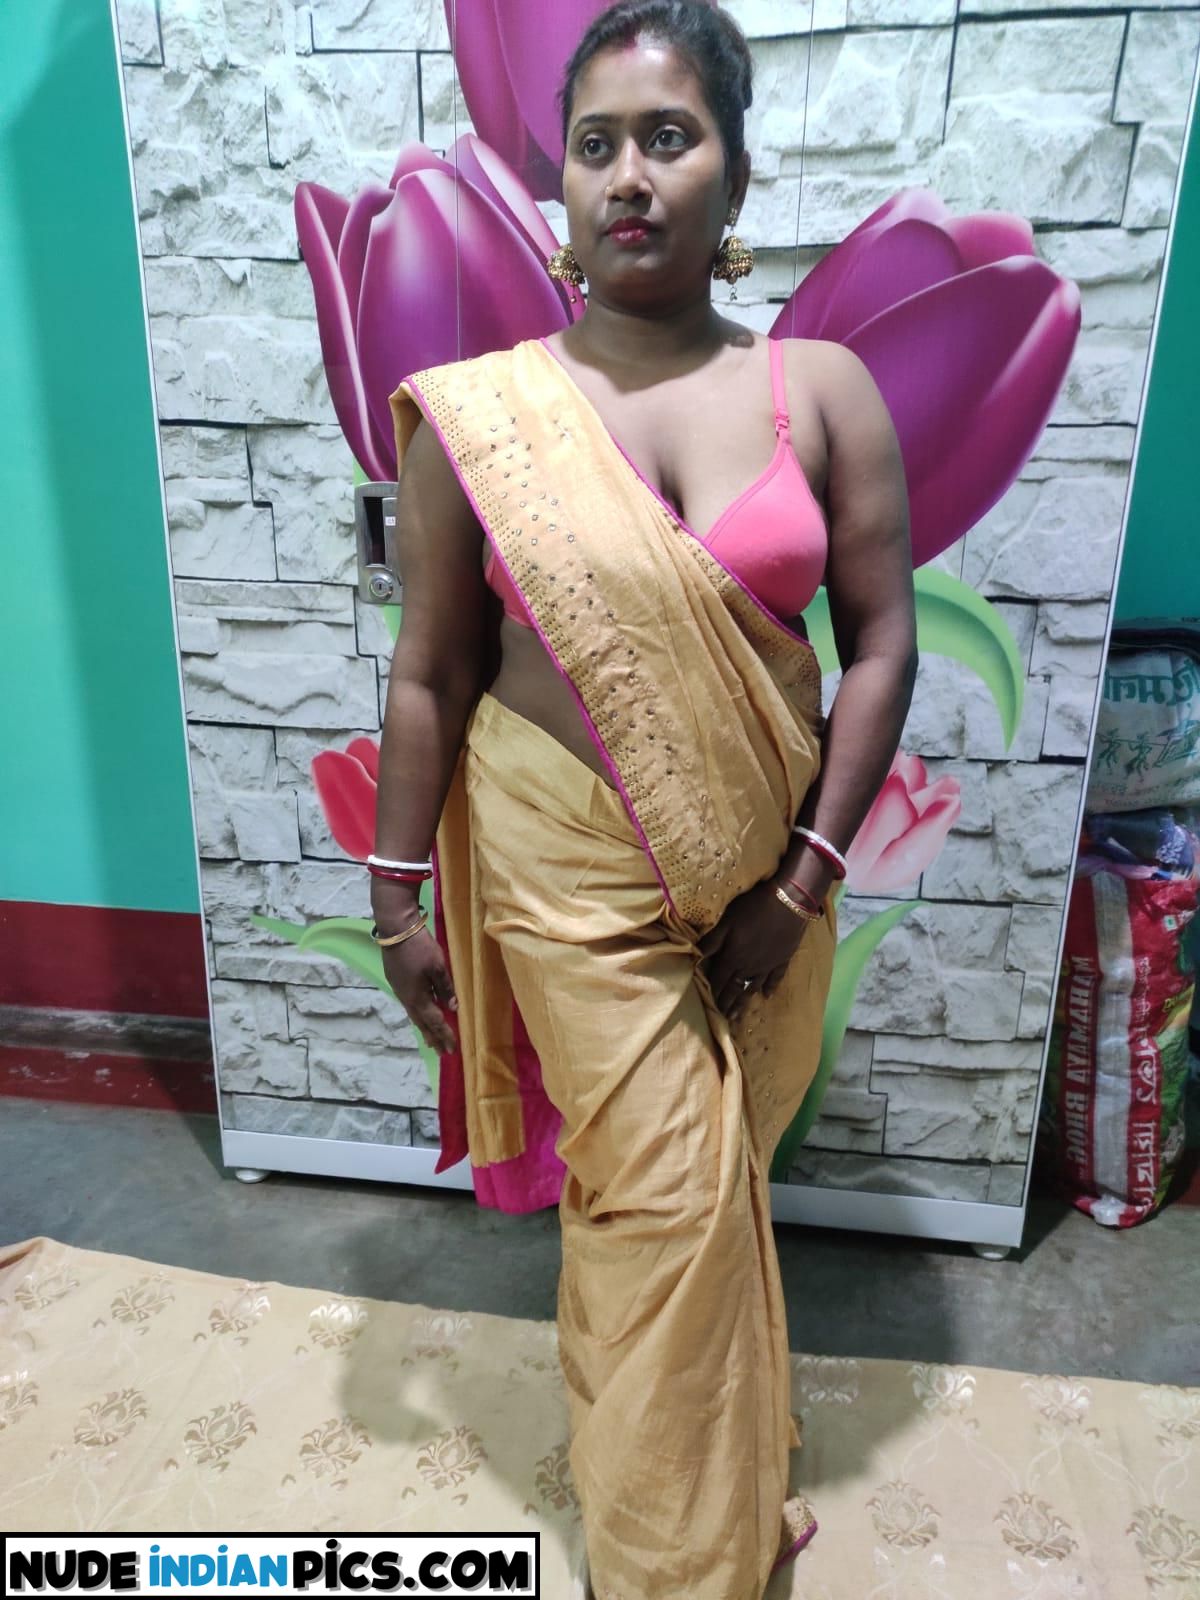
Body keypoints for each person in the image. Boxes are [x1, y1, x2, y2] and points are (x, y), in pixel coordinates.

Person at [370, 3, 915, 1595]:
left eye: (668, 138)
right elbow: (431, 672)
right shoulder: (481, 416)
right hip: (564, 875)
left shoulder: (822, 391)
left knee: (682, 1197)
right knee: (668, 1199)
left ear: (732, 172)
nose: (628, 175)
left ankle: (704, 1484)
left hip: (767, 875)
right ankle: (678, 1566)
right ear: (559, 183)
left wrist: (802, 885)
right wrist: (395, 899)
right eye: (595, 144)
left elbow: (881, 646)